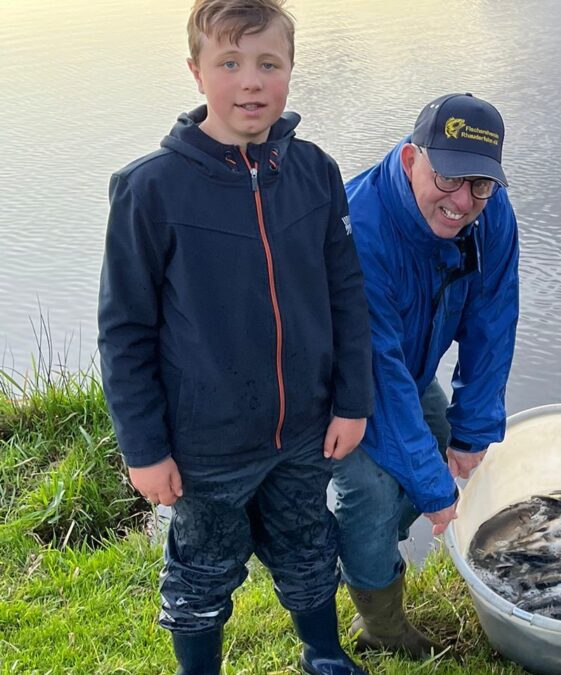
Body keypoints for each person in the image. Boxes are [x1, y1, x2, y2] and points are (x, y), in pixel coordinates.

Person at [97, 1, 373, 673]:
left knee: (309, 544)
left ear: (289, 70)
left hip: (305, 426)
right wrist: (145, 447)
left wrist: (352, 400)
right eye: (230, 63)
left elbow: (346, 294)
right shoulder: (149, 190)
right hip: (205, 444)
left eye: (268, 64)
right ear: (196, 73)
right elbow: (124, 331)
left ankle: (324, 653)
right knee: (203, 568)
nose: (251, 83)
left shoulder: (315, 171)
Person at [332, 93, 519, 657]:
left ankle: (363, 554)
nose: (463, 201)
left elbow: (493, 317)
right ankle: (381, 629)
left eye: (480, 184)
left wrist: (474, 426)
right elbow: (374, 370)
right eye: (449, 177)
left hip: (408, 372)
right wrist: (434, 488)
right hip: (341, 387)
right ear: (412, 159)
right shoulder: (358, 228)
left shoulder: (490, 212)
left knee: (441, 451)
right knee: (369, 496)